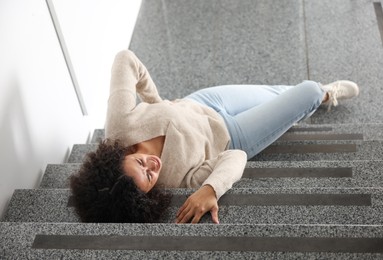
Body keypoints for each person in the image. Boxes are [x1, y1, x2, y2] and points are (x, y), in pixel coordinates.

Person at [70, 50, 359, 224]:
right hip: (234, 133)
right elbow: (235, 157)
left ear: (119, 157)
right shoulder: (176, 181)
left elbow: (125, 60)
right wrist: (211, 189)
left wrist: (157, 101)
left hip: (204, 101)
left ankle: (289, 97)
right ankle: (323, 94)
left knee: (276, 93)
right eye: (148, 177)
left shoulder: (119, 128)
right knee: (307, 91)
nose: (152, 166)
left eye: (140, 163)